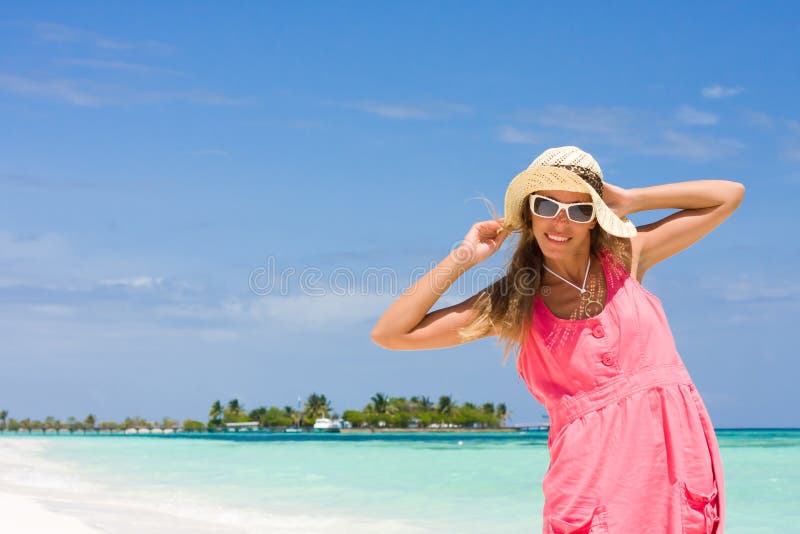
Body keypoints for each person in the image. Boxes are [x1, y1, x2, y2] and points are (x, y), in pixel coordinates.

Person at [370, 146, 744, 533]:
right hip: (588, 489)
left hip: (672, 475)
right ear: (529, 212)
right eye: (547, 206)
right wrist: (463, 257)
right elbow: (392, 333)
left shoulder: (628, 258)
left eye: (579, 210)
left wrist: (632, 199)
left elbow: (729, 195)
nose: (560, 223)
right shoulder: (514, 300)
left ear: (595, 219)